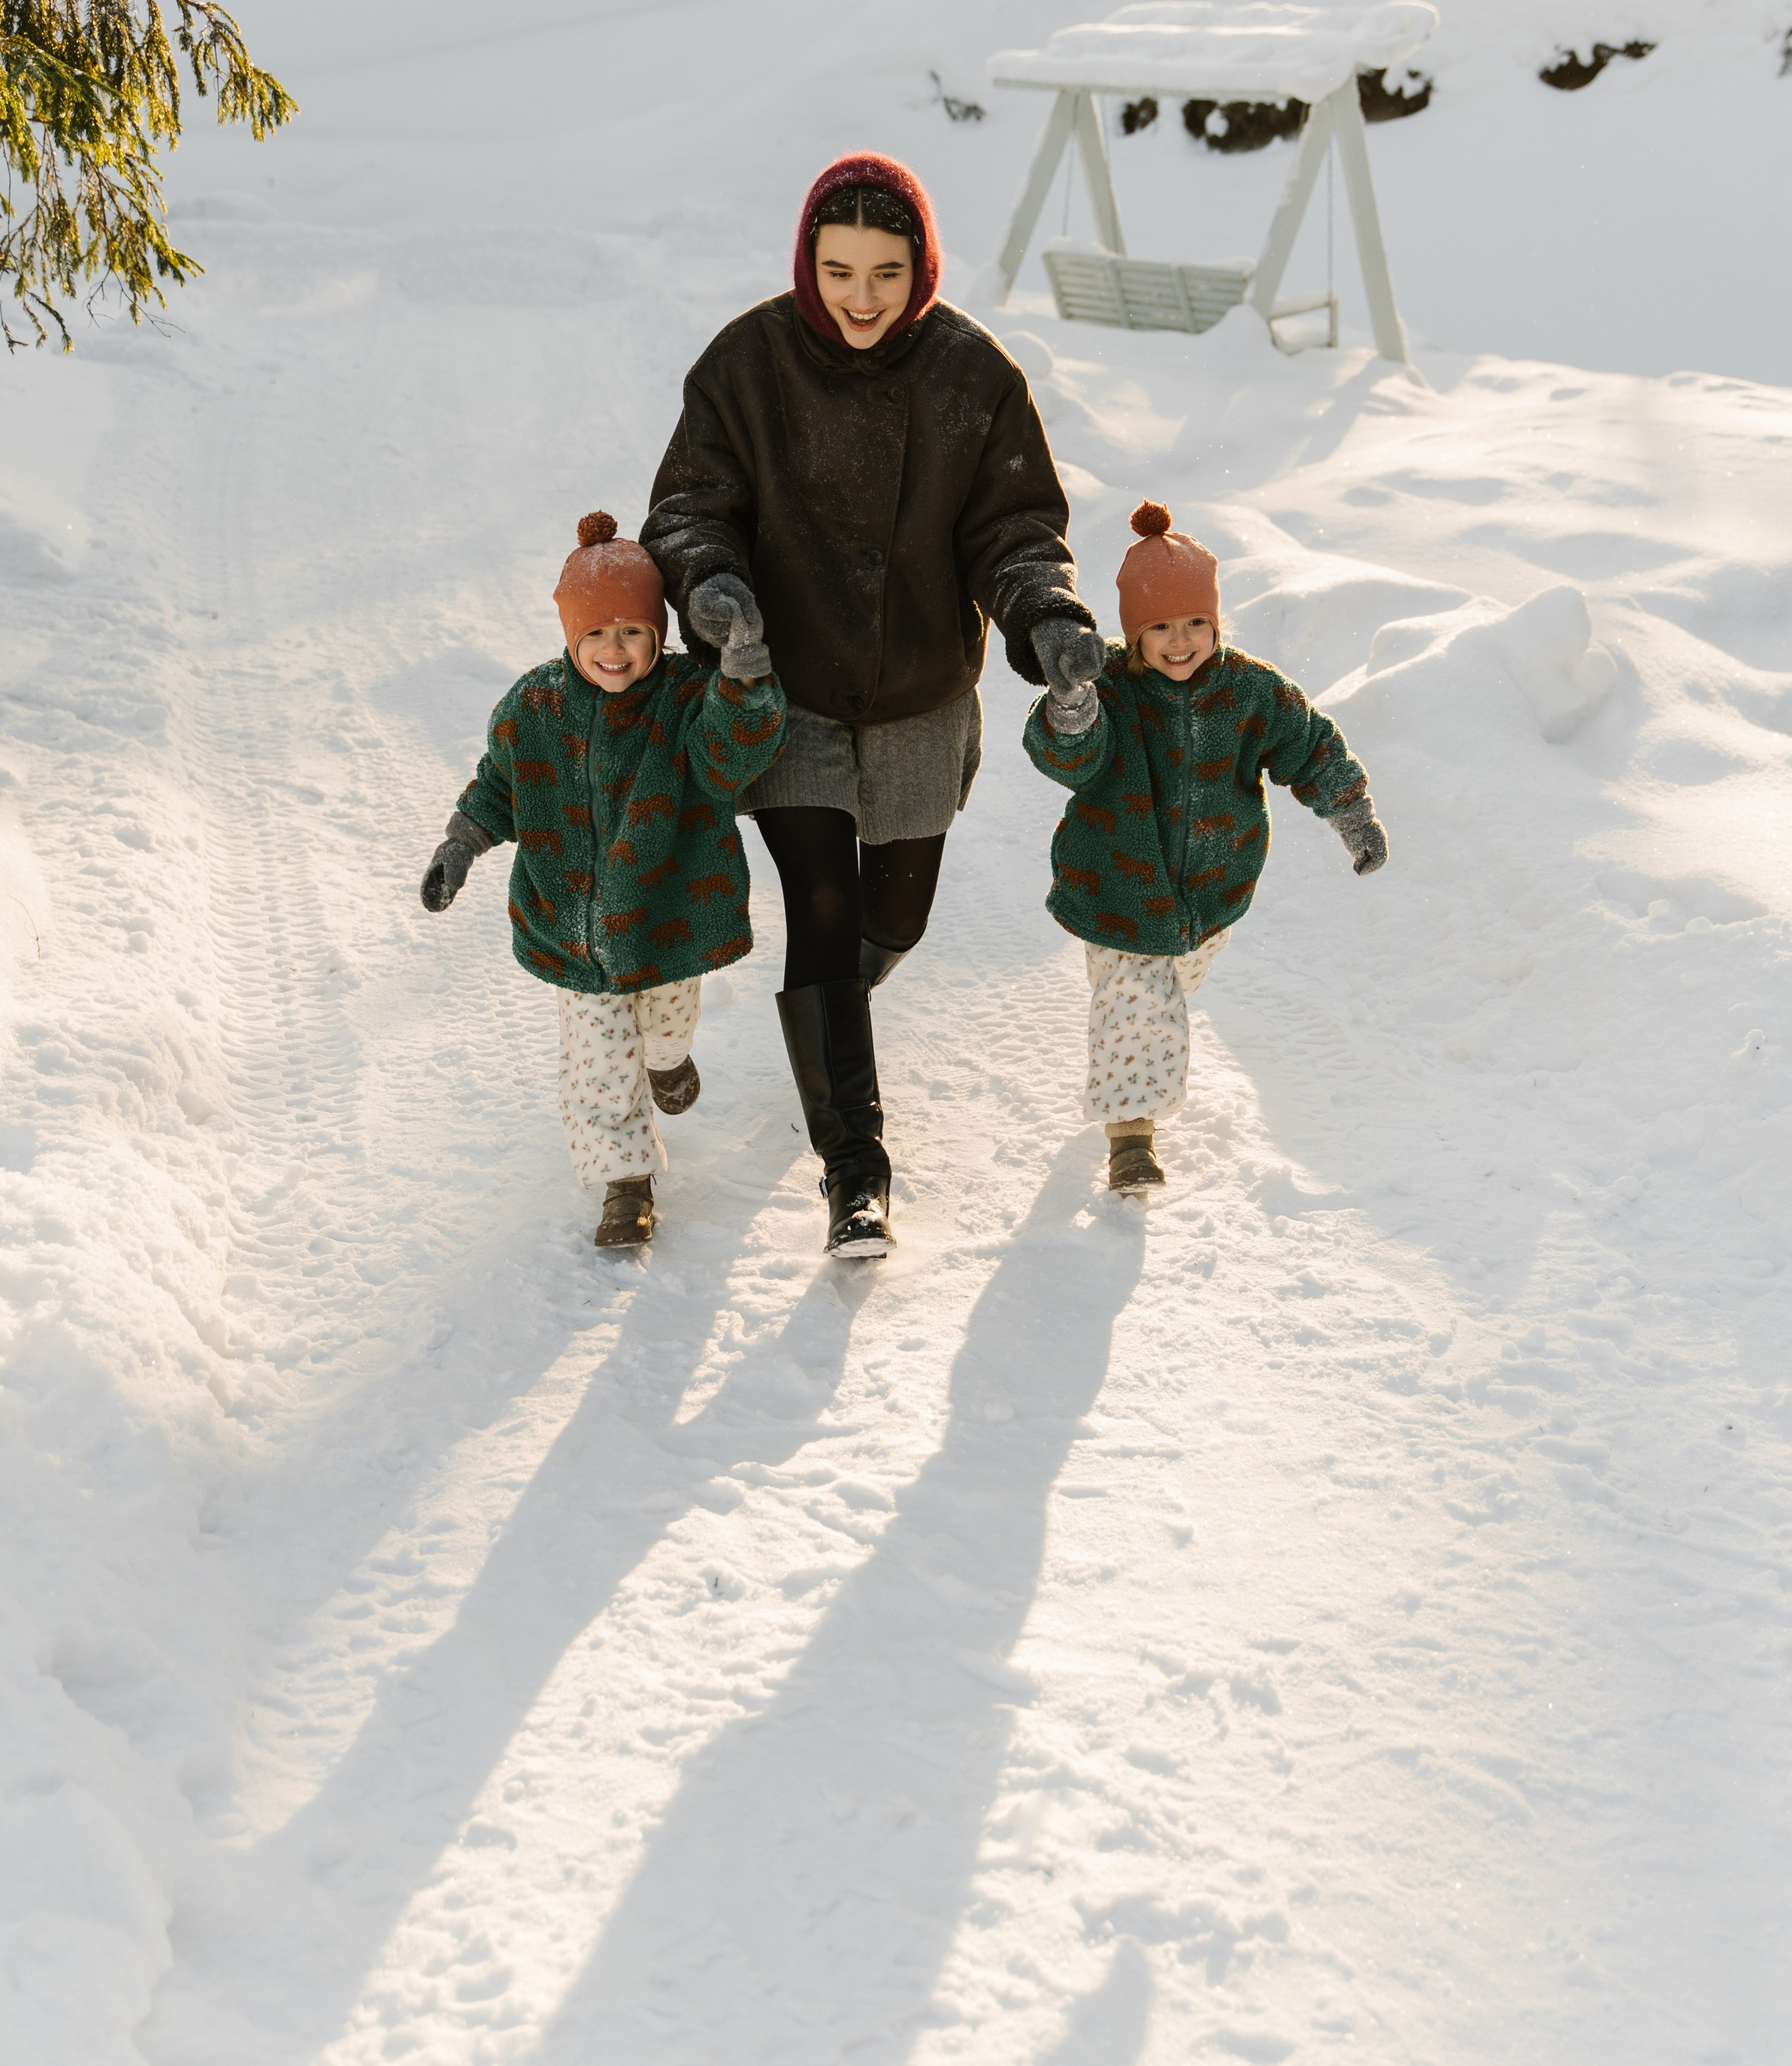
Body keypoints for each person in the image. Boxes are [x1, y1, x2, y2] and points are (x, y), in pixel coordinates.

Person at [643, 150, 1103, 1260]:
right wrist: (714, 591)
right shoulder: (747, 365)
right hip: (785, 691)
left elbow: (1014, 530)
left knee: (894, 918)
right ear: (807, 262)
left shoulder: (972, 376)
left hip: (918, 694)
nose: (860, 296)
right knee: (822, 904)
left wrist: (1046, 614)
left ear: (921, 267)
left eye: (886, 273)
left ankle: (826, 1024)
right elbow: (692, 507)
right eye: (838, 270)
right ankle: (856, 1171)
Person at [417, 512, 786, 1249]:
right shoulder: (534, 706)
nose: (613, 650)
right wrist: (461, 844)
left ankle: (668, 1060)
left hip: (667, 915)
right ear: (570, 635)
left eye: (631, 632)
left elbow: (733, 752)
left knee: (665, 1026)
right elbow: (500, 784)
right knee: (598, 1059)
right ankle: (625, 1183)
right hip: (571, 927)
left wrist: (745, 675)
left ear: (658, 634)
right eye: (595, 633)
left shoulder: (687, 698)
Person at [1024, 501, 1388, 1194]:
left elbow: (1310, 746)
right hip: (1117, 890)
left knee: (1167, 987)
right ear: (1134, 633)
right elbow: (1065, 756)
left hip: (1213, 892)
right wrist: (1070, 710)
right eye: (1159, 627)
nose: (1180, 640)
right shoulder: (1110, 690)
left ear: (1217, 623)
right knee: (1139, 1000)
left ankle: (1131, 1047)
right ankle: (1131, 1134)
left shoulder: (1251, 690)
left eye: (1196, 622)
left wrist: (1351, 810)